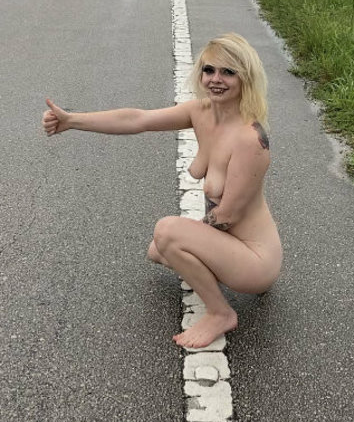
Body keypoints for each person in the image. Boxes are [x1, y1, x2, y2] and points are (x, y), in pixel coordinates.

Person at [42, 33, 282, 349]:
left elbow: (228, 215)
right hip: (231, 243)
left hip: (256, 259)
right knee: (159, 249)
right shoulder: (201, 112)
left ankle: (221, 313)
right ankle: (205, 266)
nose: (215, 79)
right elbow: (138, 119)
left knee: (167, 233)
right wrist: (72, 121)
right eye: (209, 70)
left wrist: (184, 240)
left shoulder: (250, 139)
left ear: (245, 77)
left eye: (228, 72)